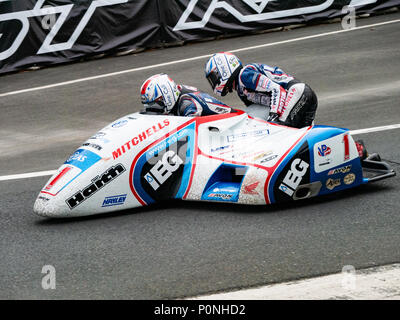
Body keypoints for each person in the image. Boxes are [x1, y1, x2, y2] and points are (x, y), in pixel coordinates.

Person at [204, 52, 318, 129]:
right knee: (300, 138)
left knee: (280, 130)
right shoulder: (241, 90)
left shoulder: (244, 75)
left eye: (214, 77)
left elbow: (277, 89)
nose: (214, 82)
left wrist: (273, 116)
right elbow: (256, 114)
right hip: (298, 97)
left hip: (297, 92)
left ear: (223, 68)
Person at [140, 73, 234, 116]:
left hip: (231, 123)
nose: (153, 109)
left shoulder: (187, 103)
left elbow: (190, 132)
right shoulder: (176, 95)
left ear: (167, 95)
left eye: (155, 104)